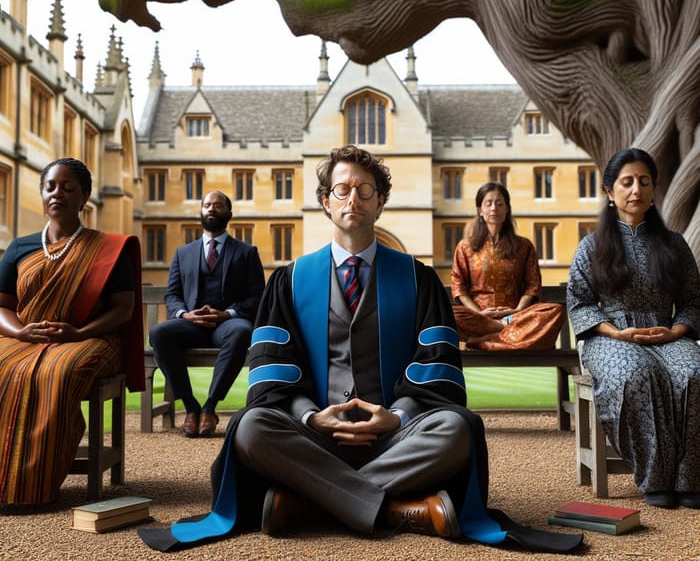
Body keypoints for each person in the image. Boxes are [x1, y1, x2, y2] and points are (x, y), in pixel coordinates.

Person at [139, 145, 581, 554]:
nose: (354, 199)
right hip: (314, 434)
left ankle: (309, 501)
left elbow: (437, 365)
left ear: (380, 201)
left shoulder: (418, 279)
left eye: (365, 190)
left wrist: (398, 415)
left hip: (396, 437)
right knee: (252, 427)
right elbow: (272, 369)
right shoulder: (289, 281)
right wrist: (312, 416)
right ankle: (400, 509)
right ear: (326, 202)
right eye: (343, 189)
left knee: (458, 429)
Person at [0, 158, 143, 504]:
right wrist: (19, 333)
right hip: (27, 338)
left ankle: (35, 484)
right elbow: (2, 305)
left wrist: (77, 333)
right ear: (42, 193)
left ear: (85, 196)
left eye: (68, 188)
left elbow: (123, 309)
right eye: (50, 187)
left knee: (57, 371)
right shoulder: (20, 247)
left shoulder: (108, 249)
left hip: (91, 338)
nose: (57, 194)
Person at [567, 148, 700, 509]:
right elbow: (579, 303)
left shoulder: (674, 244)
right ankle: (655, 478)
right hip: (609, 336)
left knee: (694, 372)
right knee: (636, 372)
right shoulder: (591, 246)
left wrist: (675, 331)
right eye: (626, 182)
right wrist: (615, 333)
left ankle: (690, 479)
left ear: (654, 189)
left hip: (667, 334)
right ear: (610, 191)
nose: (635, 189)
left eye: (644, 181)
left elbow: (692, 300)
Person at [149, 191, 265, 437]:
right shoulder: (183, 253)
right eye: (207, 205)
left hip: (227, 326)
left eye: (218, 206)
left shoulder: (246, 252)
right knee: (159, 332)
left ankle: (210, 405)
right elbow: (172, 294)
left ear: (229, 214)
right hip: (191, 325)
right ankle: (191, 407)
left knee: (242, 330)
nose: (211, 209)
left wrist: (227, 314)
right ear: (200, 212)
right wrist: (184, 315)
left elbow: (256, 296)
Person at [451, 182, 565, 350]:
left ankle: (489, 337)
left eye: (499, 203)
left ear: (507, 209)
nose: (493, 209)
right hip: (479, 318)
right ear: (480, 211)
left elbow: (532, 285)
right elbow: (458, 286)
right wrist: (479, 314)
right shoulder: (465, 247)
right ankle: (501, 332)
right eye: (488, 204)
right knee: (448, 314)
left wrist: (517, 311)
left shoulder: (524, 246)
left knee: (555, 311)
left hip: (514, 316)